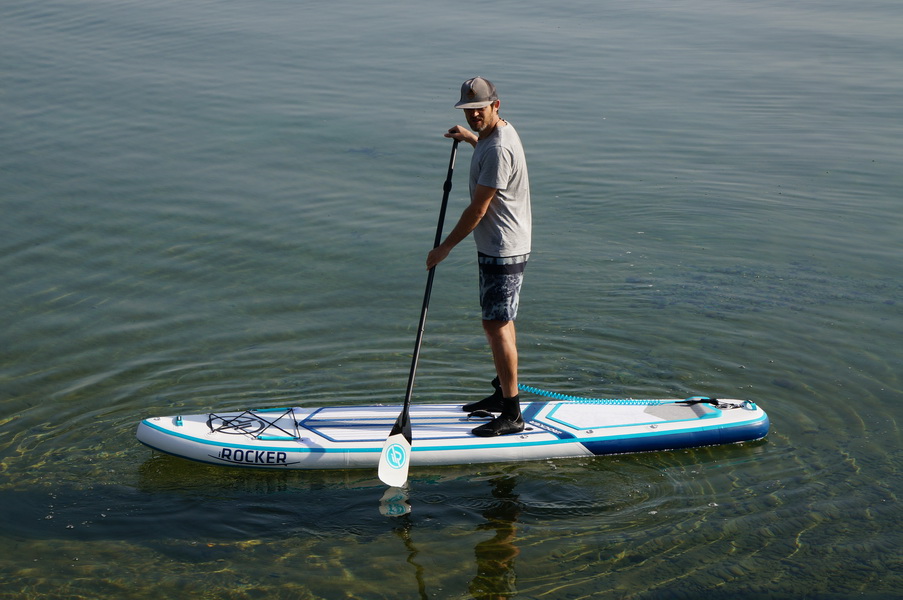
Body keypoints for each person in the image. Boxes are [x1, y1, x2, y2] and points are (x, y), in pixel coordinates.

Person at [426, 77, 532, 437]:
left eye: (479, 111)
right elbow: (486, 149)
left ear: (496, 106)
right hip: (497, 246)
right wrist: (470, 139)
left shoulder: (499, 147)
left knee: (496, 325)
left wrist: (445, 248)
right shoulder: (490, 137)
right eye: (469, 111)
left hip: (503, 248)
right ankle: (500, 395)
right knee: (497, 322)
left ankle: (513, 414)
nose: (474, 116)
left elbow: (478, 210)